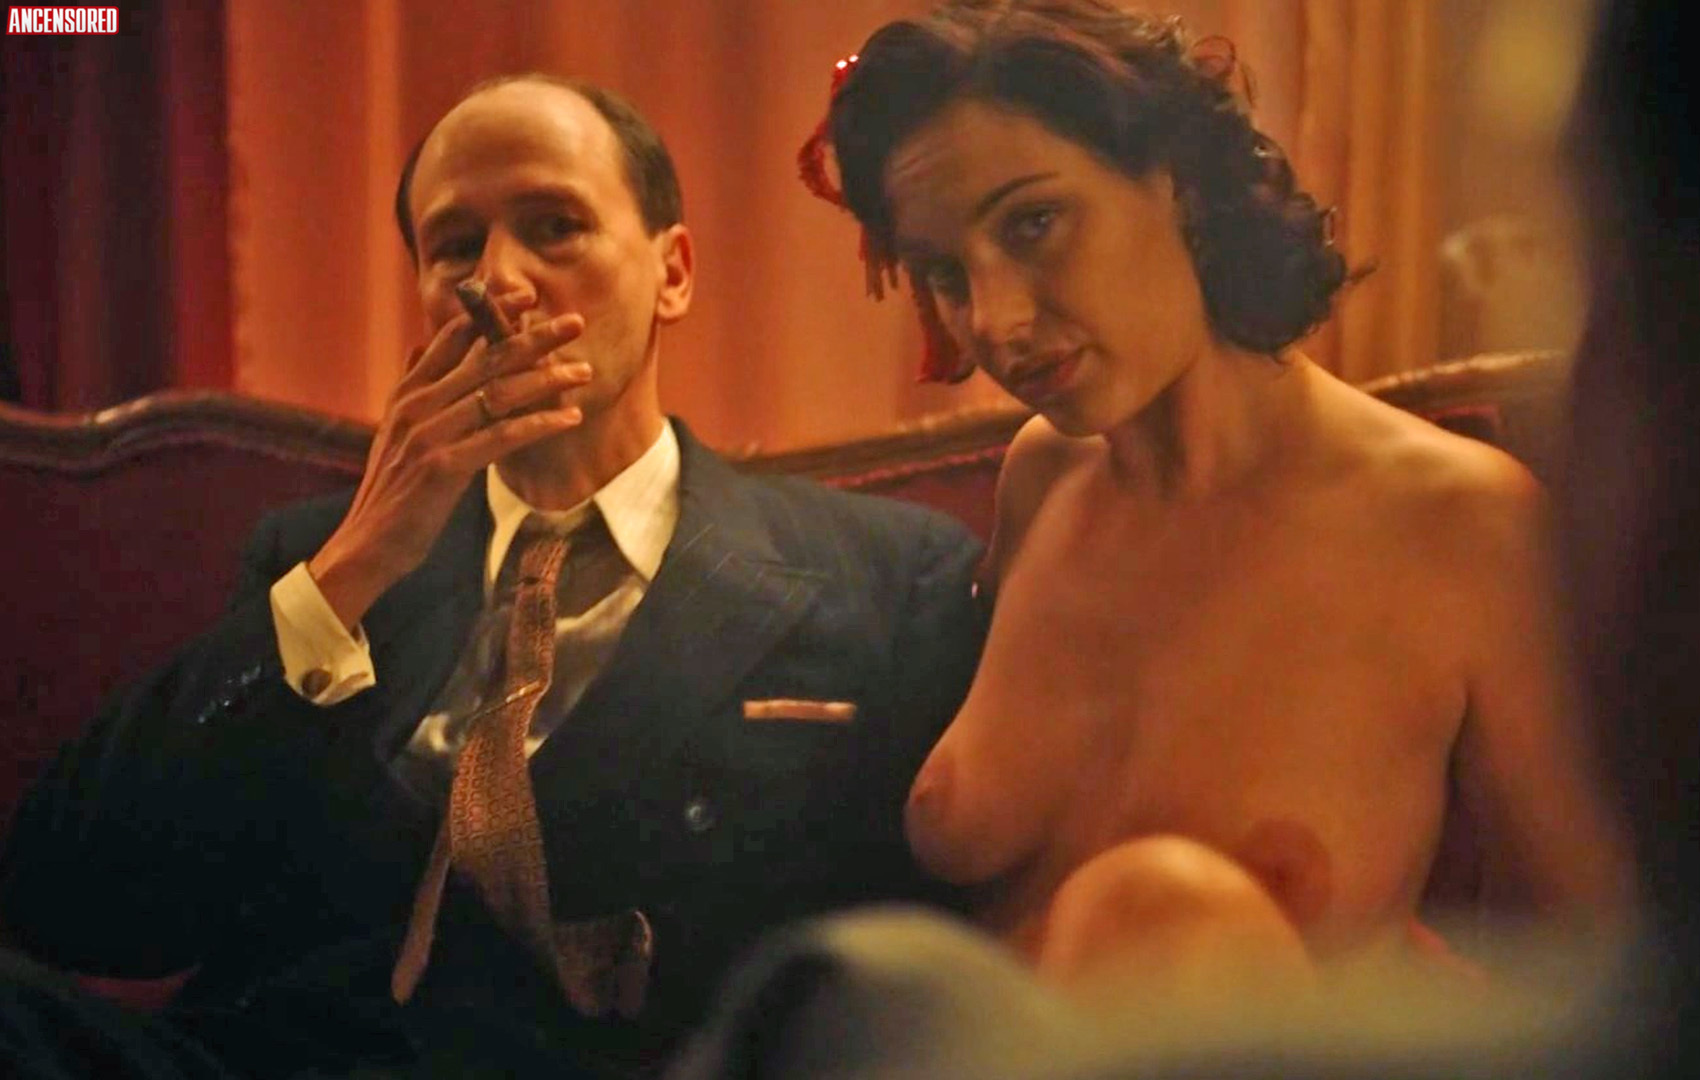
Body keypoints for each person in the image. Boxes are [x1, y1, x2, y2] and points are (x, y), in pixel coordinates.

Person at [0, 74, 985, 1079]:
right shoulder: (319, 560)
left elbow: (920, 966)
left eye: (555, 227)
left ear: (673, 273)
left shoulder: (884, 573)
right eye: (456, 247)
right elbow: (69, 904)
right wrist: (352, 568)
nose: (500, 283)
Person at [801, 0, 1629, 997]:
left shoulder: (1462, 522)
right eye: (943, 270)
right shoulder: (1041, 478)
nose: (995, 321)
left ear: (1180, 183)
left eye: (1033, 223)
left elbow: (1603, 971)